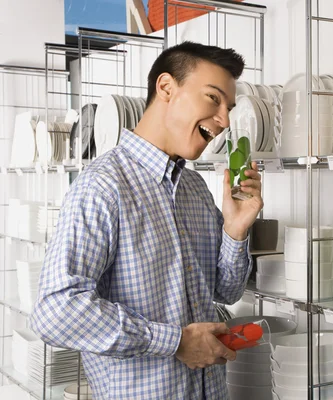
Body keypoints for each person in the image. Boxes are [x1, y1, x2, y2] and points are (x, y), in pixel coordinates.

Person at [29, 42, 263, 399]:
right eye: (213, 99)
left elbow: (226, 291)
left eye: (228, 108)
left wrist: (236, 228)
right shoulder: (103, 187)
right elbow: (56, 312)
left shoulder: (195, 188)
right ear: (166, 88)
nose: (225, 121)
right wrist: (175, 342)